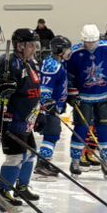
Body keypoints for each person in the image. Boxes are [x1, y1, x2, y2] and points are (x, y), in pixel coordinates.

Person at [65, 24, 107, 177]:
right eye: (88, 42)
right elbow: (70, 76)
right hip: (83, 99)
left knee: (104, 129)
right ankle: (75, 161)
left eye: (94, 42)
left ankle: (105, 161)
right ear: (82, 39)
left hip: (103, 98)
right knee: (81, 129)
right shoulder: (75, 53)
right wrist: (72, 94)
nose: (91, 45)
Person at [0, 28, 44, 206]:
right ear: (20, 46)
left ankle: (22, 187)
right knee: (16, 156)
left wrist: (41, 113)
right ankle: (3, 190)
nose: (34, 49)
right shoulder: (10, 63)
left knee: (30, 154)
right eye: (31, 45)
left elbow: (37, 91)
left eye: (35, 45)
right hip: (13, 118)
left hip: (28, 119)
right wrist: (3, 90)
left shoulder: (33, 63)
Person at [35, 34, 71, 176]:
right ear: (59, 50)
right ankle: (42, 163)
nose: (69, 53)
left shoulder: (56, 63)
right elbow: (44, 88)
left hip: (52, 107)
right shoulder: (52, 65)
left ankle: (44, 162)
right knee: (52, 134)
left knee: (53, 134)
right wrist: (48, 105)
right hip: (48, 109)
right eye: (67, 50)